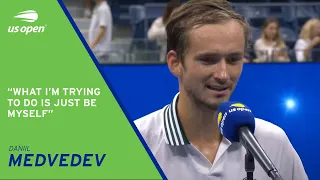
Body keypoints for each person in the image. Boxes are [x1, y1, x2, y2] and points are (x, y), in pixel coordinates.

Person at [134, 0, 308, 180]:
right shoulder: (134, 144)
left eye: (233, 59)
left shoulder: (273, 143)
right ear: (175, 63)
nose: (223, 75)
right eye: (208, 60)